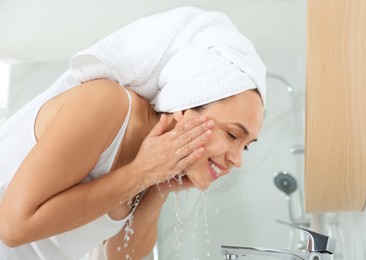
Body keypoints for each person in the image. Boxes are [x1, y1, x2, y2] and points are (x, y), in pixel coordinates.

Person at [0, 6, 266, 260]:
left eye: (246, 146)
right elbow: (12, 227)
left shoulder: (155, 156)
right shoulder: (105, 103)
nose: (238, 160)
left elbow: (121, 255)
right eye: (232, 135)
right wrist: (140, 173)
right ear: (185, 107)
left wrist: (159, 186)